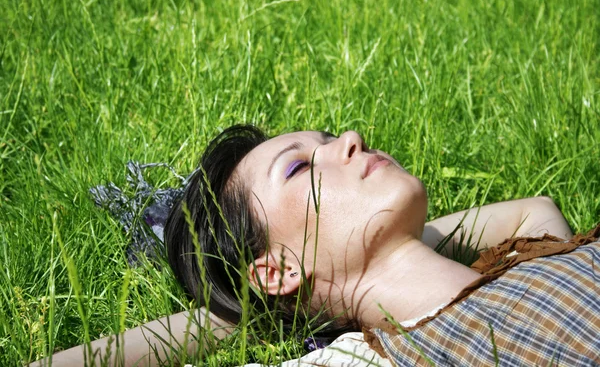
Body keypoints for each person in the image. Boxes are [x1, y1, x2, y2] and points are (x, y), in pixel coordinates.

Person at [33, 125, 599, 366]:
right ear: (275, 266)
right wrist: (260, 309)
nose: (350, 140)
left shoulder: (536, 253)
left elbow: (536, 209)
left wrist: (390, 255)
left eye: (330, 139)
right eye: (302, 166)